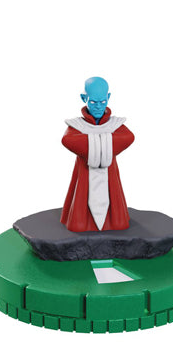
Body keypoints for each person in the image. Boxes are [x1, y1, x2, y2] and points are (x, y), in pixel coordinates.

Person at [60, 77, 134, 232]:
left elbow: (128, 137)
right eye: (93, 102)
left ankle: (111, 221)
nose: (99, 107)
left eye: (103, 102)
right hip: (84, 173)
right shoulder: (77, 125)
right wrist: (105, 139)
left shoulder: (115, 124)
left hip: (110, 175)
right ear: (84, 98)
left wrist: (91, 139)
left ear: (108, 97)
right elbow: (68, 140)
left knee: (116, 214)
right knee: (80, 207)